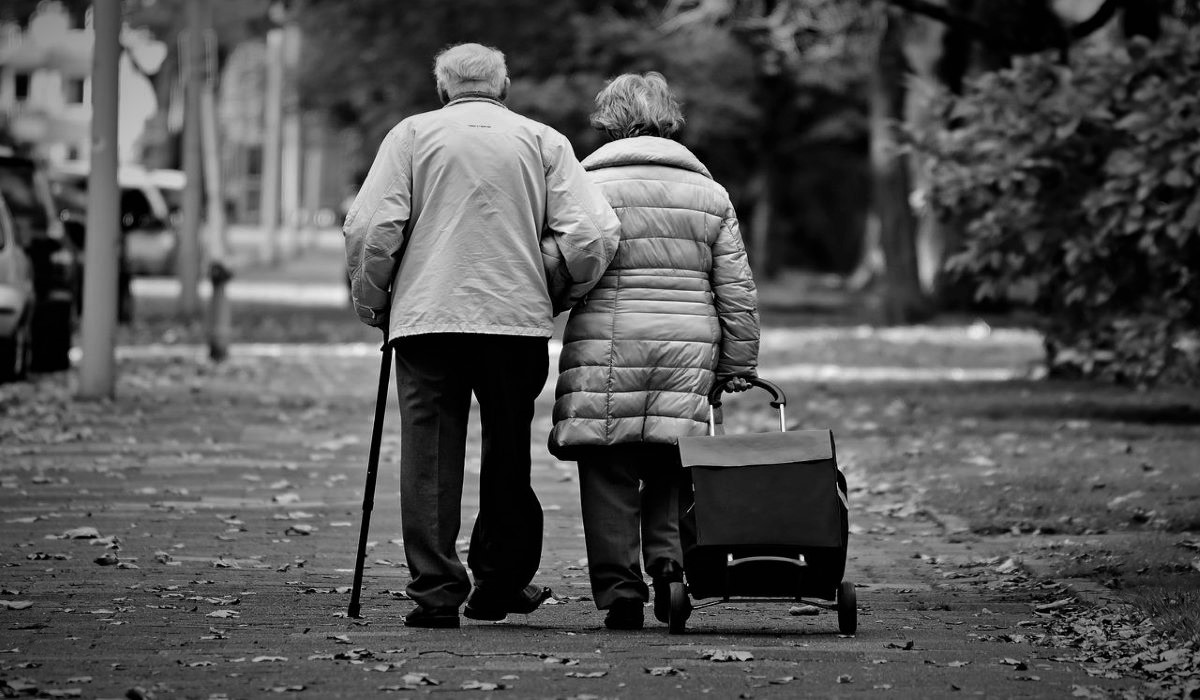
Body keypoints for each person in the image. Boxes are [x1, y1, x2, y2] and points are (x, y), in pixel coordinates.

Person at [344, 43, 621, 629]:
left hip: (427, 320)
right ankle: (497, 582)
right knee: (507, 453)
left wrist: (375, 302)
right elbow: (592, 233)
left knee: (428, 457)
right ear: (505, 85)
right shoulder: (543, 141)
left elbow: (373, 226)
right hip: (514, 319)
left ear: (443, 88)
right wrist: (557, 290)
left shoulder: (412, 136)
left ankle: (437, 592)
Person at [547, 72, 760, 630]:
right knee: (672, 459)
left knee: (607, 462)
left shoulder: (585, 184)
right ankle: (669, 571)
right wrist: (739, 362)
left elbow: (563, 262)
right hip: (688, 342)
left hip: (606, 342)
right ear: (668, 118)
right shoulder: (709, 193)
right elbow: (735, 286)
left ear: (608, 118)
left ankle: (620, 592)